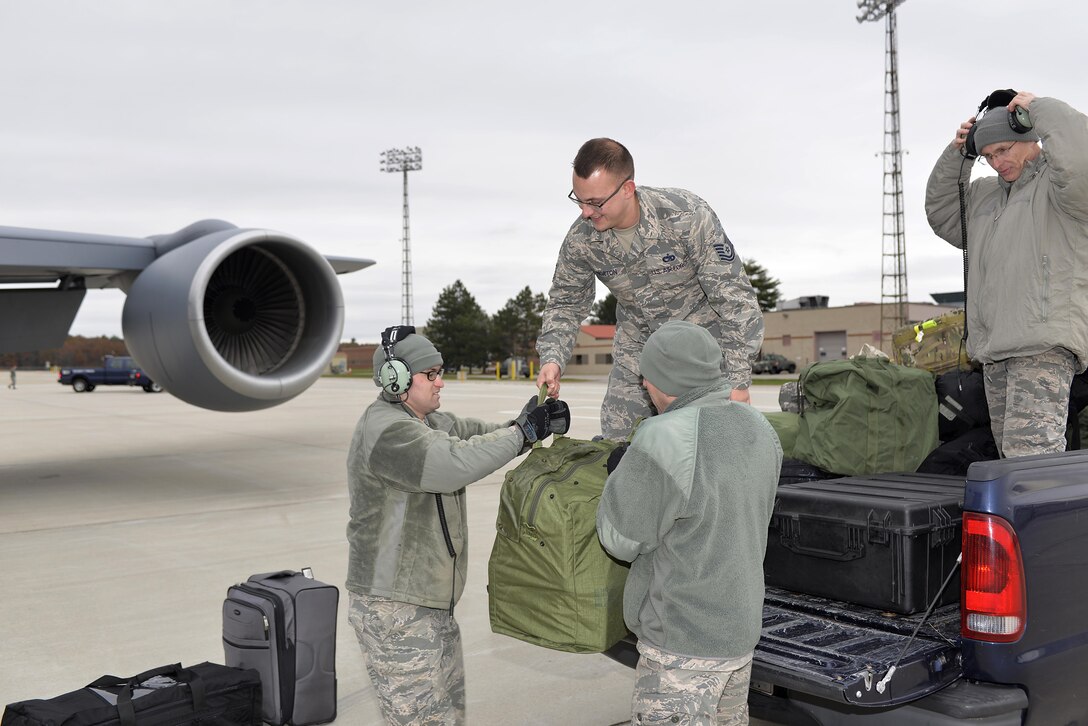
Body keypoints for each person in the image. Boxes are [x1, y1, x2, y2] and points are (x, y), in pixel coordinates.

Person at [346, 326, 569, 725]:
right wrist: (522, 434)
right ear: (394, 377)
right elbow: (453, 464)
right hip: (395, 609)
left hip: (427, 604)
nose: (440, 382)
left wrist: (527, 422)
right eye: (430, 374)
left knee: (446, 717)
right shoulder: (388, 431)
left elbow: (478, 436)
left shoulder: (428, 422)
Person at [595, 321, 782, 725]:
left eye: (646, 377)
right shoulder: (761, 428)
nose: (644, 386)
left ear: (663, 379)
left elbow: (620, 539)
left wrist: (621, 476)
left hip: (680, 645)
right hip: (739, 635)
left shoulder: (663, 436)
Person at [536, 137, 764, 440]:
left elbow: (735, 299)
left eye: (595, 202)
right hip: (638, 352)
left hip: (701, 354)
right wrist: (552, 358)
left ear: (628, 189)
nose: (585, 212)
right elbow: (565, 303)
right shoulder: (581, 240)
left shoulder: (686, 216)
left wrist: (738, 383)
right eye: (578, 199)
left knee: (711, 449)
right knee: (620, 443)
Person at [925, 90, 1088, 457]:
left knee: (1031, 462)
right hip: (995, 351)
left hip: (1041, 345)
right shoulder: (986, 195)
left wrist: (1038, 107)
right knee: (1012, 465)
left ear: (1029, 138)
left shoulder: (1062, 189)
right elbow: (942, 214)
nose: (997, 163)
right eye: (987, 156)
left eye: (1004, 150)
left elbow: (1080, 162)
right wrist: (959, 154)